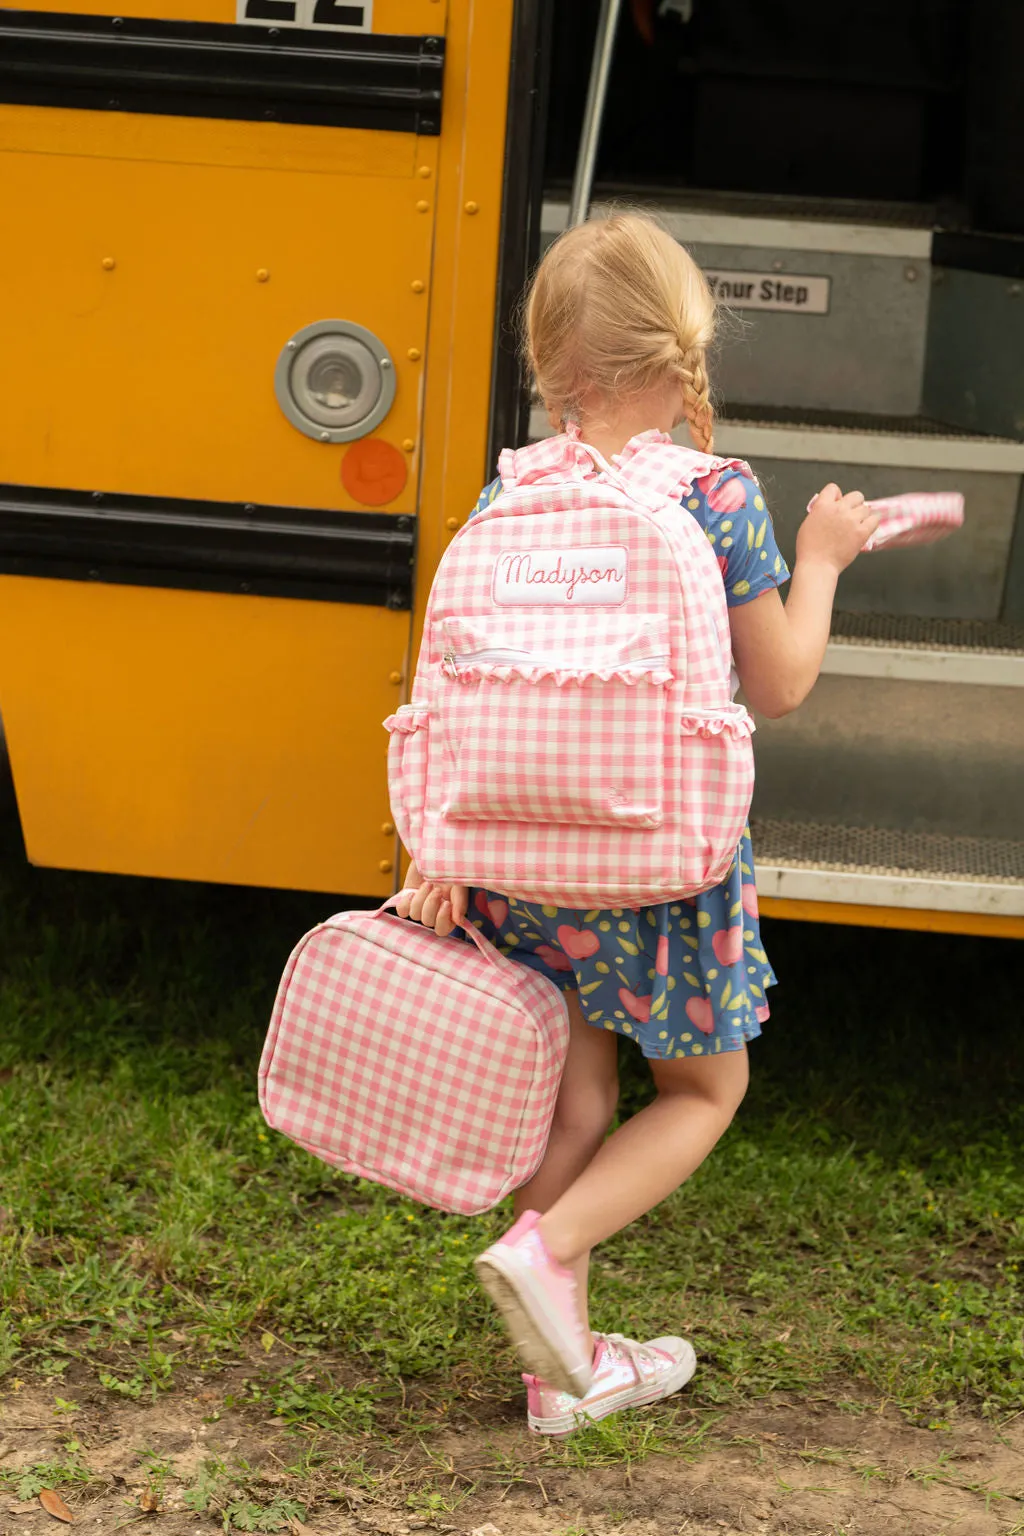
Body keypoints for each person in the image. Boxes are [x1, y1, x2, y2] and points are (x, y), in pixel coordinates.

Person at [397, 212, 878, 1436]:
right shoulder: (717, 495)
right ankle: (548, 1254)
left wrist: (434, 847)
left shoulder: (516, 488)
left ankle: (558, 1382)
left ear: (549, 365)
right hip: (662, 865)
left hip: (517, 853)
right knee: (705, 1093)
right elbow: (776, 686)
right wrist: (821, 558)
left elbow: (459, 682)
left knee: (573, 1103)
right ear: (683, 353)